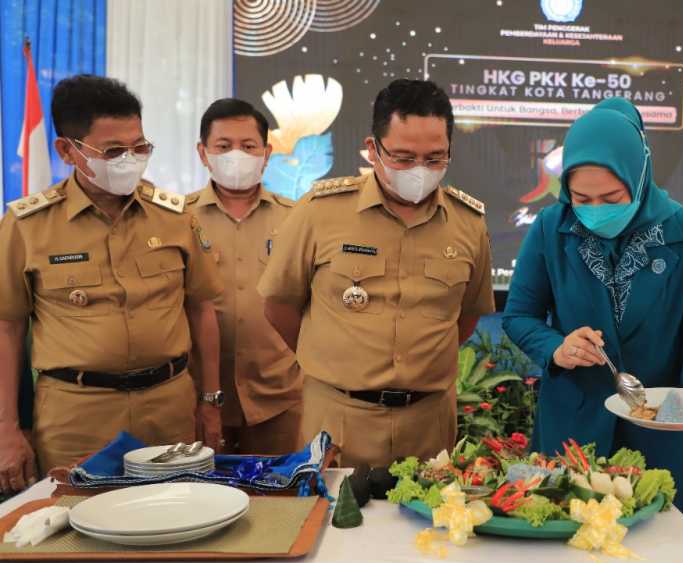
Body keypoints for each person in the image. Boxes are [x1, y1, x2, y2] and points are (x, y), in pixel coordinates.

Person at [0, 74, 224, 492]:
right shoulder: (26, 227)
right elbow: (7, 328)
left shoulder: (174, 217)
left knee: (176, 528)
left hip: (168, 407)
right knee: (74, 534)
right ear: (67, 150)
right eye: (113, 150)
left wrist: (211, 401)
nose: (130, 159)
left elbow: (202, 309)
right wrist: (6, 429)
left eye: (139, 147)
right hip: (77, 417)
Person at [259, 79, 495, 468]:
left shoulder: (468, 224)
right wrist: (334, 363)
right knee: (330, 525)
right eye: (403, 157)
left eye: (435, 158)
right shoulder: (320, 211)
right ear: (373, 149)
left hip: (428, 424)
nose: (419, 170)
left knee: (426, 524)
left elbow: (465, 317)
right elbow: (279, 307)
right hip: (338, 418)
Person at [502, 98, 683, 505]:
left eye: (611, 197)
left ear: (638, 177)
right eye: (581, 199)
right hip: (572, 425)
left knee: (648, 553)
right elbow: (520, 315)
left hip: (656, 429)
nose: (595, 211)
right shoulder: (552, 227)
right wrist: (558, 347)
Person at [188, 98, 302, 455]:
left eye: (248, 146)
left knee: (283, 501)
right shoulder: (176, 218)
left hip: (280, 398)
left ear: (266, 153)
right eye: (223, 146)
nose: (236, 154)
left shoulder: (298, 218)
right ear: (203, 153)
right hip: (196, 397)